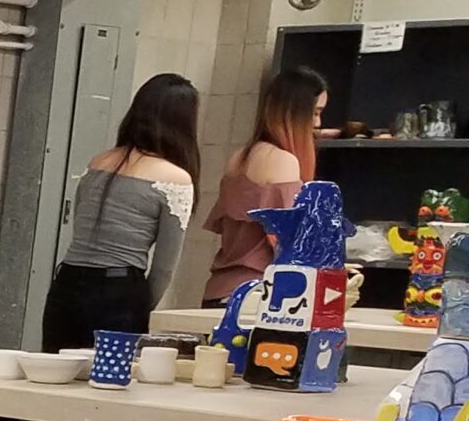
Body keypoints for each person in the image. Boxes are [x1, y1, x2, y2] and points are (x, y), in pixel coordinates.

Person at [40, 72, 201, 348]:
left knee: (59, 367)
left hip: (66, 283)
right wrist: (139, 308)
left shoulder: (98, 163)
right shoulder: (175, 179)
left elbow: (80, 224)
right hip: (119, 290)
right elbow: (164, 268)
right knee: (109, 373)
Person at [203, 65, 327, 305]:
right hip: (259, 296)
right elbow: (292, 244)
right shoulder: (284, 162)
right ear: (294, 112)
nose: (318, 122)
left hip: (220, 292)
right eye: (314, 113)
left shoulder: (239, 157)